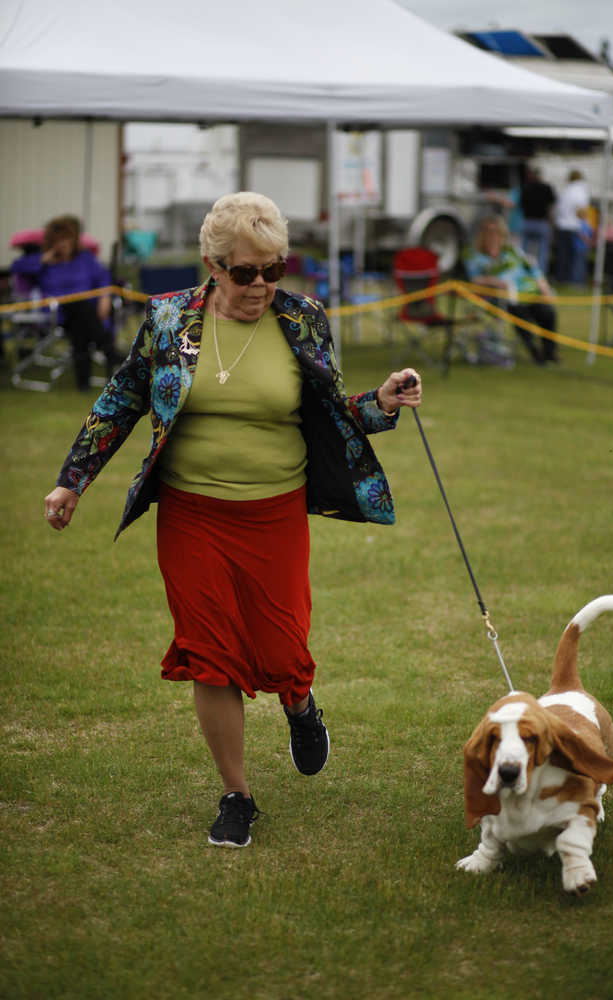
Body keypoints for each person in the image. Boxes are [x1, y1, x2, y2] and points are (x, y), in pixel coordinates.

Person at [43, 191, 422, 849]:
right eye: (245, 272)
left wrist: (381, 401)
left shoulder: (302, 319)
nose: (261, 286)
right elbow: (119, 400)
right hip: (192, 514)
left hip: (273, 512)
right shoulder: (169, 321)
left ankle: (300, 706)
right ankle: (237, 794)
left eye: (274, 269)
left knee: (281, 651)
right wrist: (72, 480)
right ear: (212, 265)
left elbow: (329, 412)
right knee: (210, 654)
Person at [10, 214, 121, 390]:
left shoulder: (84, 259)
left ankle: (83, 383)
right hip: (58, 313)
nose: (63, 244)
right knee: (81, 309)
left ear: (73, 240)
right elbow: (16, 268)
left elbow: (103, 277)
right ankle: (111, 352)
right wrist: (43, 260)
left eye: (66, 239)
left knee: (81, 323)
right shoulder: (44, 261)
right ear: (51, 242)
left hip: (87, 314)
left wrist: (105, 297)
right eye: (58, 240)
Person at [463, 214, 559, 365]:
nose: (494, 236)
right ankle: (533, 350)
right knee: (520, 314)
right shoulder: (475, 256)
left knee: (547, 312)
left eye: (497, 233)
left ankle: (550, 351)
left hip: (528, 293)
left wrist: (543, 286)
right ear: (482, 235)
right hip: (500, 298)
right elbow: (474, 279)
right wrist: (494, 281)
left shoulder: (512, 251)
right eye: (489, 232)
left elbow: (533, 270)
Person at [554, 170, 591, 284]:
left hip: (562, 225)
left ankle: (561, 278)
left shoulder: (565, 190)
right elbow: (581, 211)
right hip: (575, 226)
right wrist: (585, 226)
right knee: (577, 256)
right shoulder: (580, 190)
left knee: (563, 255)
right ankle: (576, 280)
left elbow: (558, 209)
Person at [520, 165, 556, 276]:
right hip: (542, 223)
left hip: (527, 221)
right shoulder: (546, 188)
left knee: (524, 251)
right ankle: (540, 275)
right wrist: (551, 221)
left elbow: (520, 205)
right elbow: (551, 206)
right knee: (542, 253)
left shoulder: (526, 188)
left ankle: (523, 272)